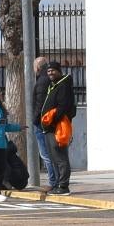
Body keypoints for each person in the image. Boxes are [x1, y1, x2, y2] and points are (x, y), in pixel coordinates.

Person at [34, 59, 78, 194]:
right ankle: (58, 184)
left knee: (60, 157)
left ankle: (64, 186)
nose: (50, 73)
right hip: (49, 128)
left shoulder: (63, 85)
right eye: (48, 71)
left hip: (57, 127)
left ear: (59, 71)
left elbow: (63, 107)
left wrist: (51, 120)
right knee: (53, 157)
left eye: (53, 70)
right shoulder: (53, 85)